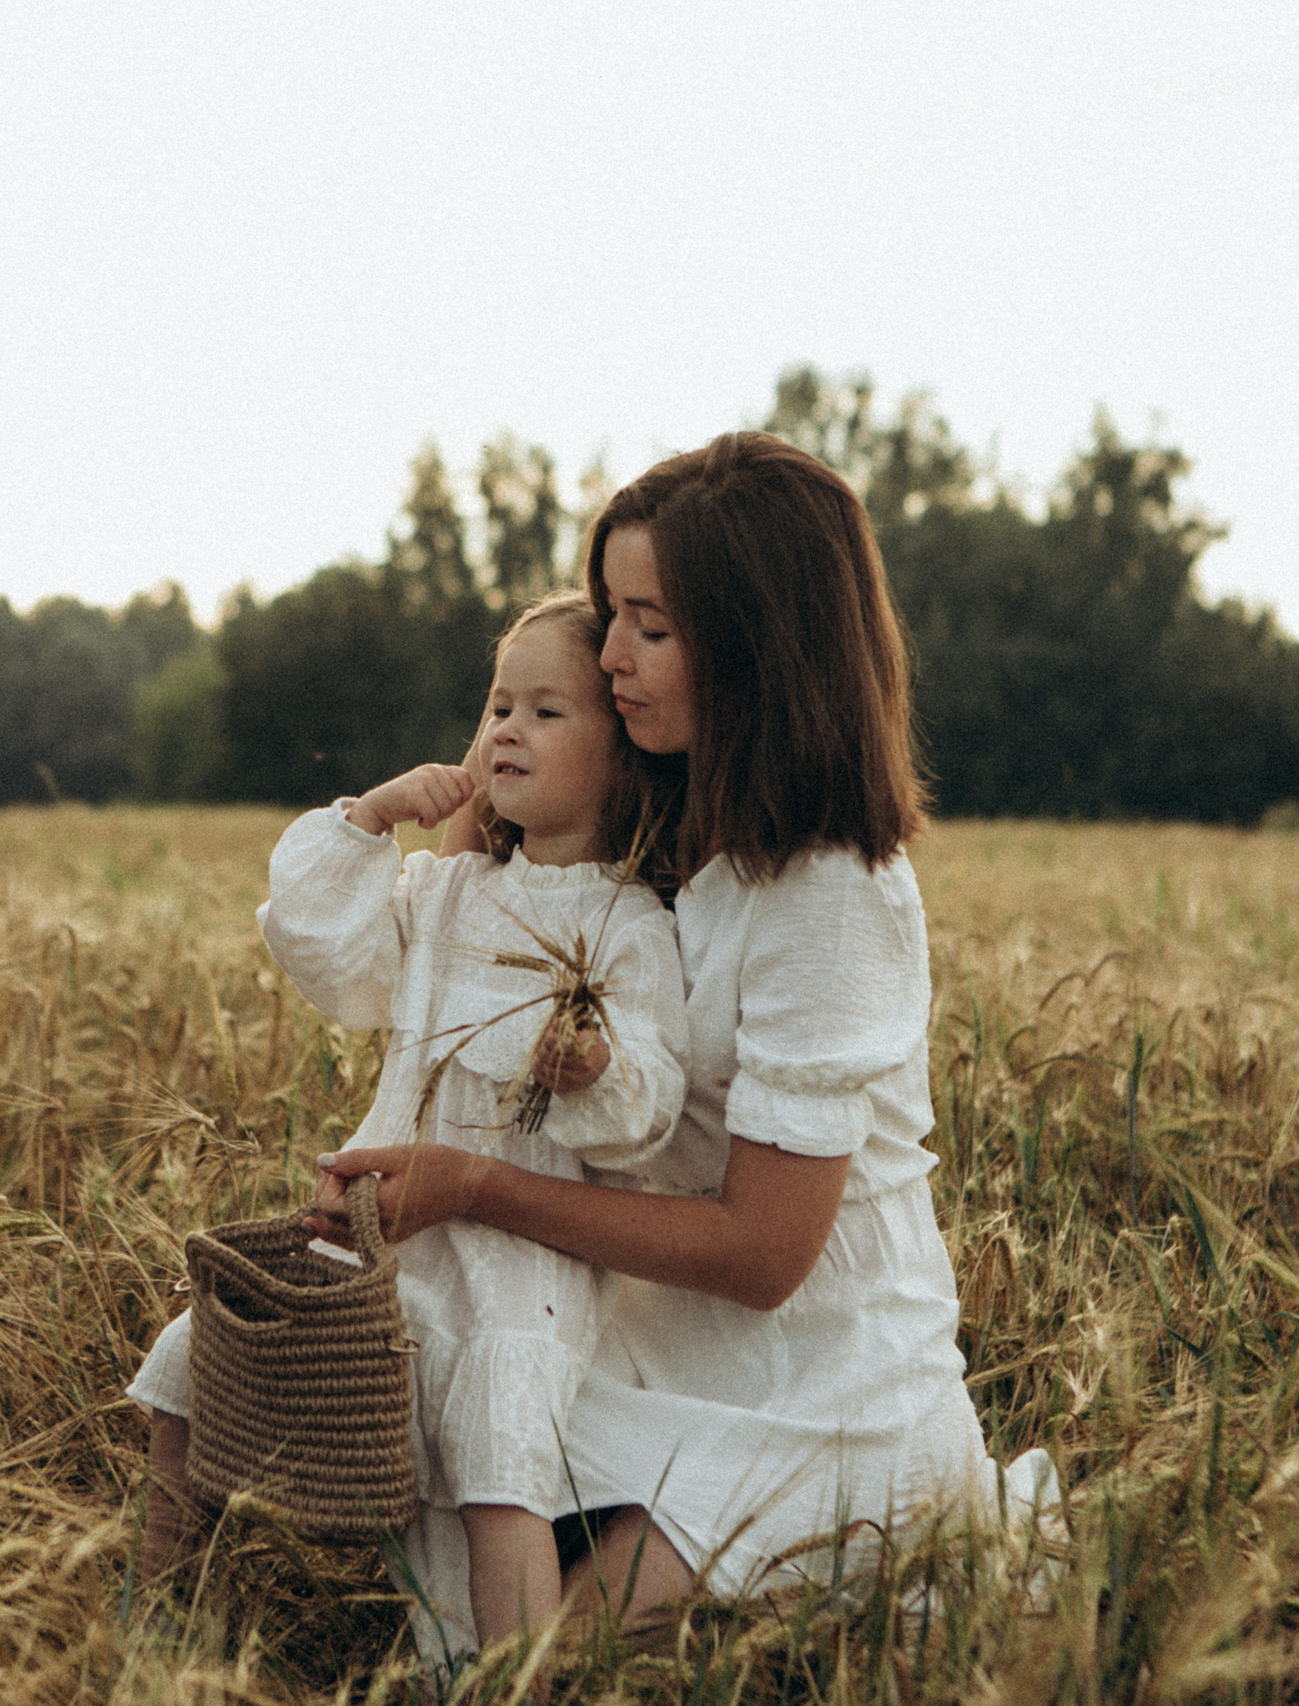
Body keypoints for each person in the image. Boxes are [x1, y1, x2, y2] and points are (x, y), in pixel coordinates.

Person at [313, 432, 1060, 1649]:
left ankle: (896, 1513)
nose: (609, 656)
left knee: (537, 1663)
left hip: (814, 1376)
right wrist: (490, 761)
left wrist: (474, 1187)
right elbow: (457, 938)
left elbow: (767, 1252)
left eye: (650, 626)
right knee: (450, 1592)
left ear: (758, 645)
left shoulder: (831, 894)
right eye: (609, 613)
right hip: (640, 1329)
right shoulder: (655, 808)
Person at [129, 592, 690, 1650]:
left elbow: (649, 1113)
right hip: (379, 1236)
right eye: (496, 704)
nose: (506, 729)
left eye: (547, 712)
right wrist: (367, 821)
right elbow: (323, 954)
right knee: (189, 1360)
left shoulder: (630, 928)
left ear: (623, 759)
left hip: (522, 1275)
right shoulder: (441, 896)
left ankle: (499, 1667)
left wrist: (595, 1066)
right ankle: (160, 1623)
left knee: (497, 1442)